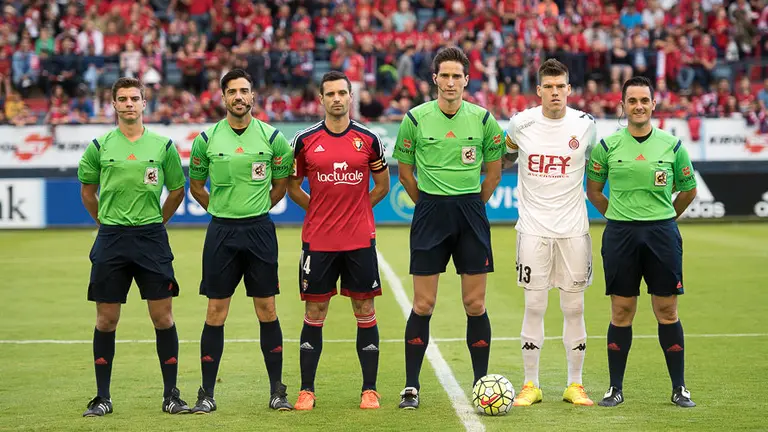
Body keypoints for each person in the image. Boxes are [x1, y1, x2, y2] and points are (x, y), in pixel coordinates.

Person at [392, 46, 504, 409]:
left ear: (467, 80)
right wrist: (427, 202)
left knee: (475, 303)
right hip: (430, 213)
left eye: (458, 76)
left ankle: (480, 384)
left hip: (470, 212)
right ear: (435, 79)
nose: (451, 82)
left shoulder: (484, 120)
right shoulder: (415, 118)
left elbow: (494, 171)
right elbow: (406, 173)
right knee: (423, 304)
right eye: (446, 76)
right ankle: (411, 386)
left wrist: (472, 204)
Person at [77, 77, 189, 416]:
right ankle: (102, 397)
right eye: (122, 99)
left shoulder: (163, 145)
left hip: (151, 238)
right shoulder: (99, 146)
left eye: (134, 98)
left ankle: (171, 395)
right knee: (106, 319)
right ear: (113, 104)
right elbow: (87, 192)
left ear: (144, 103)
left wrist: (158, 222)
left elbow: (177, 190)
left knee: (162, 317)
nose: (128, 104)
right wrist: (106, 223)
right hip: (111, 238)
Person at [586, 76, 698, 408]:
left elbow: (688, 189)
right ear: (623, 106)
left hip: (662, 234)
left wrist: (665, 218)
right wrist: (617, 215)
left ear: (653, 104)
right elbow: (594, 190)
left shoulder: (672, 145)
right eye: (632, 101)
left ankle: (679, 388)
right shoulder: (607, 147)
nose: (638, 106)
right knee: (622, 311)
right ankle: (615, 388)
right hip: (620, 234)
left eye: (644, 100)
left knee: (667, 310)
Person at [188, 68, 295, 413]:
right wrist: (219, 209)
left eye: (244, 91)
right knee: (216, 311)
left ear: (253, 97)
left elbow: (281, 184)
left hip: (260, 231)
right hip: (221, 232)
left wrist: (259, 206)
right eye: (232, 91)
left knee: (267, 310)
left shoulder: (272, 137)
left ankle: (277, 390)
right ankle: (206, 393)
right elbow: (196, 186)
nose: (239, 96)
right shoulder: (206, 140)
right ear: (223, 98)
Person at [287, 71, 391, 410]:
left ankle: (370, 390)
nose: (336, 98)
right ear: (320, 99)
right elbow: (292, 186)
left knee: (365, 309)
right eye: (329, 93)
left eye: (342, 93)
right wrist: (317, 209)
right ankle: (306, 390)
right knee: (315, 310)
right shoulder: (304, 140)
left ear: (350, 97)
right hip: (318, 241)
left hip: (359, 239)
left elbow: (382, 186)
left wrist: (357, 209)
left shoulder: (369, 139)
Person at [503, 58, 597, 407]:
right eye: (549, 87)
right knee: (535, 304)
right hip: (533, 230)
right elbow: (506, 156)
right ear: (539, 90)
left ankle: (576, 384)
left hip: (573, 231)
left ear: (569, 89)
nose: (555, 92)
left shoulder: (586, 125)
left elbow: (597, 165)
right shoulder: (520, 124)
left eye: (562, 86)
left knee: (574, 307)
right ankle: (531, 384)